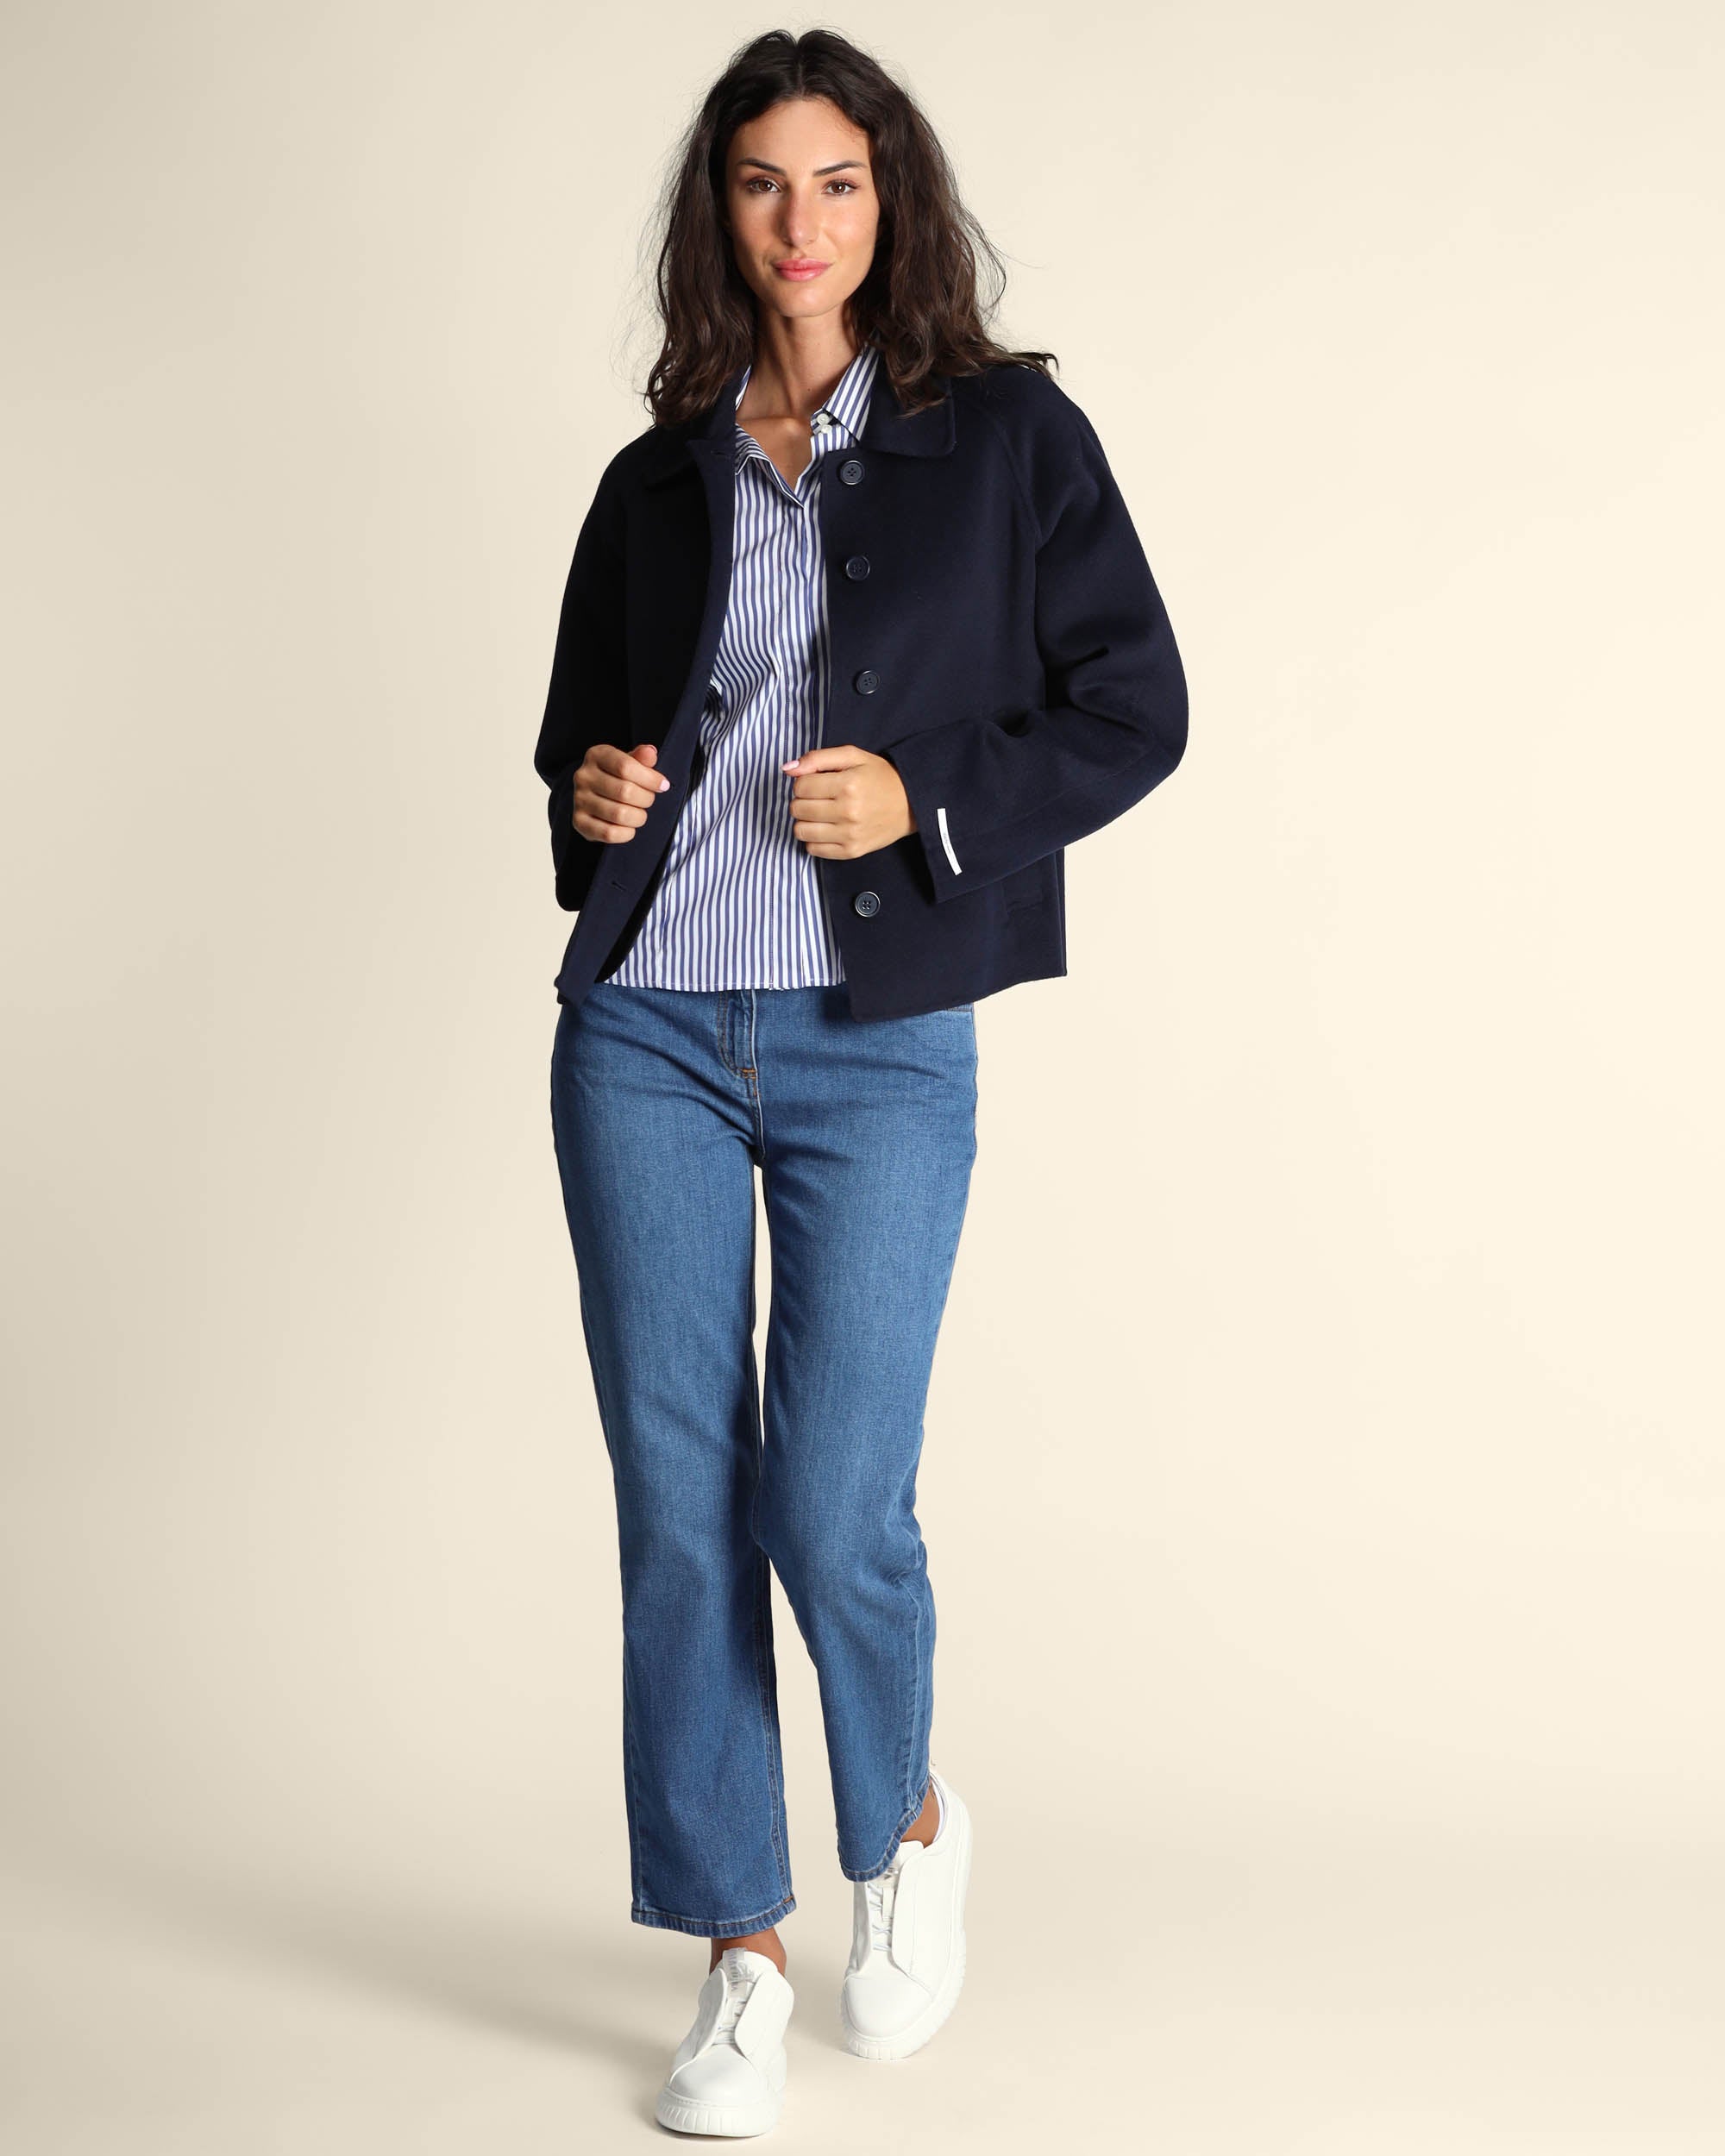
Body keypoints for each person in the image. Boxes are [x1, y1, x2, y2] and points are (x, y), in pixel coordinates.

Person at [533, 28, 1187, 2139]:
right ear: (716, 213)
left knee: (829, 1498)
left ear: (888, 199)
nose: (798, 221)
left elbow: (1137, 704)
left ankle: (900, 1820)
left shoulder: (1005, 436)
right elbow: (579, 749)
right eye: (759, 183)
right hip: (644, 1026)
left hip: (875, 1034)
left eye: (835, 180)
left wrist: (925, 797)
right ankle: (737, 1949)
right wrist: (592, 795)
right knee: (677, 1499)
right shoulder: (656, 476)